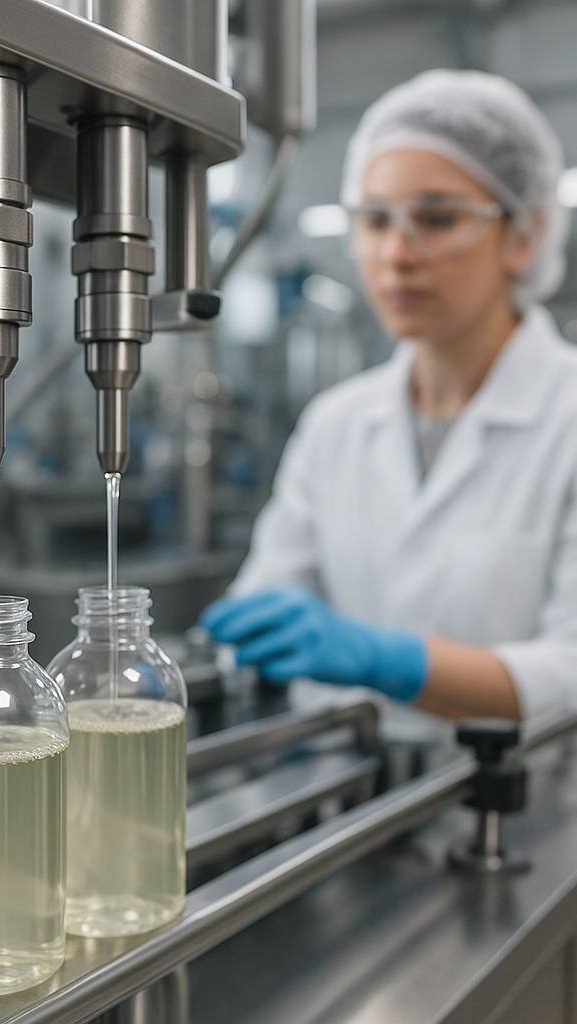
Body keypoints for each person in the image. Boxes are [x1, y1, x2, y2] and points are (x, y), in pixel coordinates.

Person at [200, 69, 577, 724]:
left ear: (522, 236)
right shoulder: (336, 424)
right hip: (352, 801)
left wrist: (390, 659)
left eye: (437, 218)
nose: (397, 254)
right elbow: (271, 595)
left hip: (529, 817)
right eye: (375, 219)